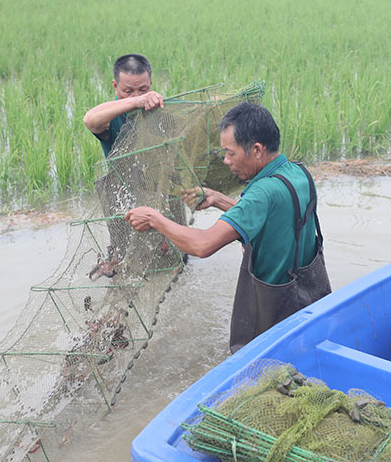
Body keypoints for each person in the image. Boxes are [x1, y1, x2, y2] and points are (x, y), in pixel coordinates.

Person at [125, 102, 331, 352]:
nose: (225, 160)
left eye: (230, 153)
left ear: (256, 149)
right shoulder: (298, 173)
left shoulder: (261, 193)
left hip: (274, 313)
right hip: (309, 301)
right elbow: (269, 216)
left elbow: (202, 245)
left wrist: (154, 219)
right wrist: (218, 199)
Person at [83, 54, 164, 157]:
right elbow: (89, 120)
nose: (137, 95)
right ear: (115, 86)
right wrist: (135, 101)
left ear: (150, 83)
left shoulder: (161, 109)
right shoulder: (112, 116)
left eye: (143, 90)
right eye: (128, 91)